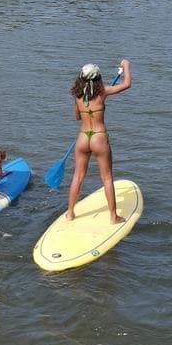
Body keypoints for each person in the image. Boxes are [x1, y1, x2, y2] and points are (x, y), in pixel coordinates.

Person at [66, 59, 132, 224]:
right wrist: (126, 67)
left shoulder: (77, 95)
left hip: (82, 138)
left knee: (77, 176)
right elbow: (127, 84)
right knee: (107, 178)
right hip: (99, 137)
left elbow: (76, 117)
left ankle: (70, 213)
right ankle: (113, 216)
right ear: (98, 78)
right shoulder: (103, 92)